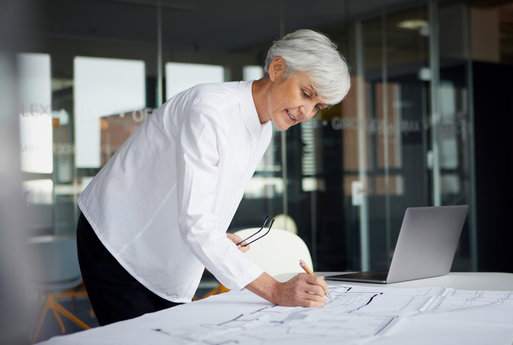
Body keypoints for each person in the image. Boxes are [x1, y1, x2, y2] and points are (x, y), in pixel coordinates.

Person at [76, 29, 350, 326]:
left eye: (317, 106)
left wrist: (217, 237)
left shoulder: (263, 128)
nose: (306, 111)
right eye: (306, 94)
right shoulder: (210, 110)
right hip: (118, 239)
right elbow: (195, 224)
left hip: (163, 248)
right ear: (277, 69)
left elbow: (202, 202)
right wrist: (276, 289)